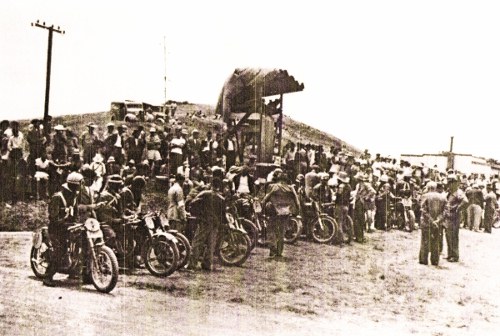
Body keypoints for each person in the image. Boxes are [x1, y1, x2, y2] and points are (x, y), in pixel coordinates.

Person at [43, 172, 83, 287]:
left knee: (79, 243)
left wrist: (76, 222)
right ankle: (48, 276)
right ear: (73, 185)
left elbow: (76, 215)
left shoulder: (74, 198)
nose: (80, 187)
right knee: (59, 250)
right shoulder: (57, 197)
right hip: (56, 230)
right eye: (79, 184)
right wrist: (65, 223)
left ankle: (74, 269)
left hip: (67, 228)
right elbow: (53, 217)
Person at [187, 177, 226, 271]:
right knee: (211, 244)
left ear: (211, 184)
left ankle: (192, 264)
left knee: (197, 242)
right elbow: (223, 214)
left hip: (204, 221)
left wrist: (198, 213)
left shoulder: (205, 194)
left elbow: (192, 202)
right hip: (215, 223)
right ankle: (207, 264)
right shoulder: (221, 198)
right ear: (219, 186)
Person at [262, 168, 300, 258]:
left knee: (271, 230)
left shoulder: (273, 186)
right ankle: (279, 252)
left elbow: (265, 199)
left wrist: (262, 208)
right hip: (286, 212)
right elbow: (297, 200)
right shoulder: (290, 187)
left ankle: (272, 249)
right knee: (281, 232)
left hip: (274, 212)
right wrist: (297, 210)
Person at [419, 182, 447, 266]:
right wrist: (438, 220)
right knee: (436, 241)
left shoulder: (425, 196)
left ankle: (423, 260)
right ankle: (435, 260)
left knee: (425, 241)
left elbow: (423, 210)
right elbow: (445, 211)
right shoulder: (442, 197)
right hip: (438, 223)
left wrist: (431, 220)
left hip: (426, 223)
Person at [445, 174, 468, 262]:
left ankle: (454, 255)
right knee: (448, 235)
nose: (449, 184)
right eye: (448, 182)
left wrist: (458, 208)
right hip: (448, 217)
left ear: (455, 183)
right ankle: (450, 254)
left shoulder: (458, 192)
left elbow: (465, 201)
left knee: (453, 236)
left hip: (454, 218)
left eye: (451, 182)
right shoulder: (450, 192)